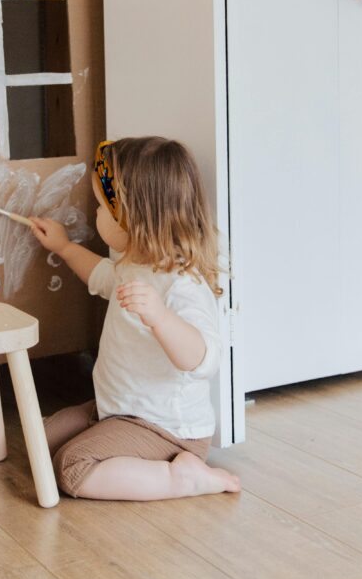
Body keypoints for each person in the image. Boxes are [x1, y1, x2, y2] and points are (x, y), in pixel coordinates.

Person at [29, 136, 241, 501]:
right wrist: (64, 247)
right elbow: (100, 275)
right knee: (37, 439)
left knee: (71, 467)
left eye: (102, 208)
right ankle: (125, 451)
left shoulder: (182, 283)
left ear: (135, 218)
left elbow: (204, 359)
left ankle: (185, 479)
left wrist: (159, 317)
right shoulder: (135, 266)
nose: (96, 215)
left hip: (166, 429)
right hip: (118, 408)